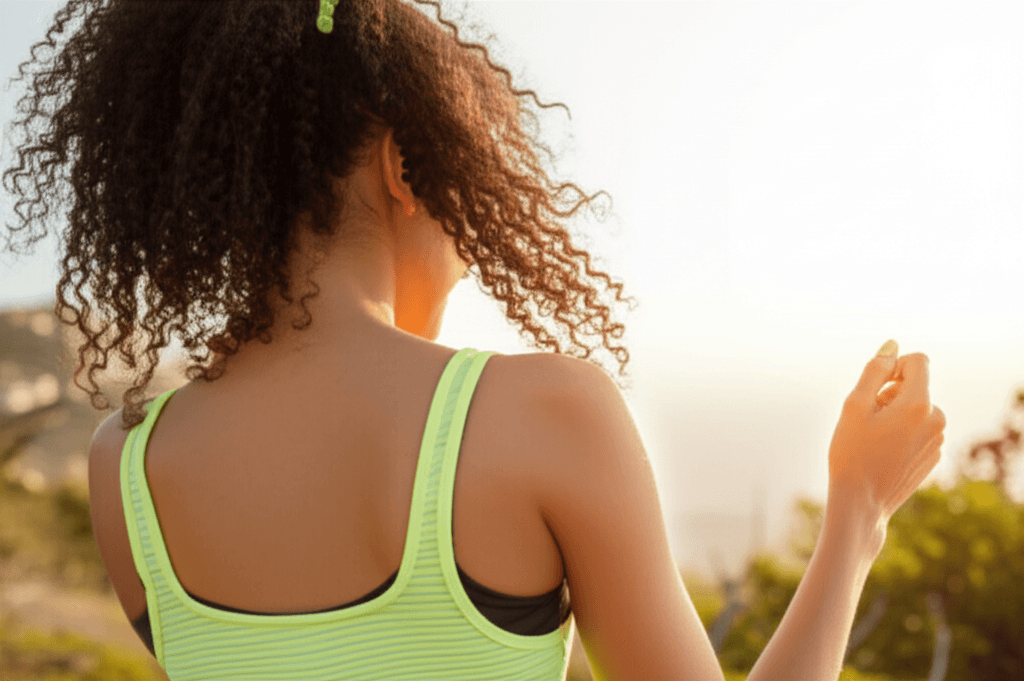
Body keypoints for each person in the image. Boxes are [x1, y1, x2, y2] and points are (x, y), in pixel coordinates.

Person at [1, 1, 945, 679]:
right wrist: (858, 511)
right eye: (463, 192)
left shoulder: (125, 464)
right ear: (406, 167)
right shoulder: (544, 413)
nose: (466, 250)